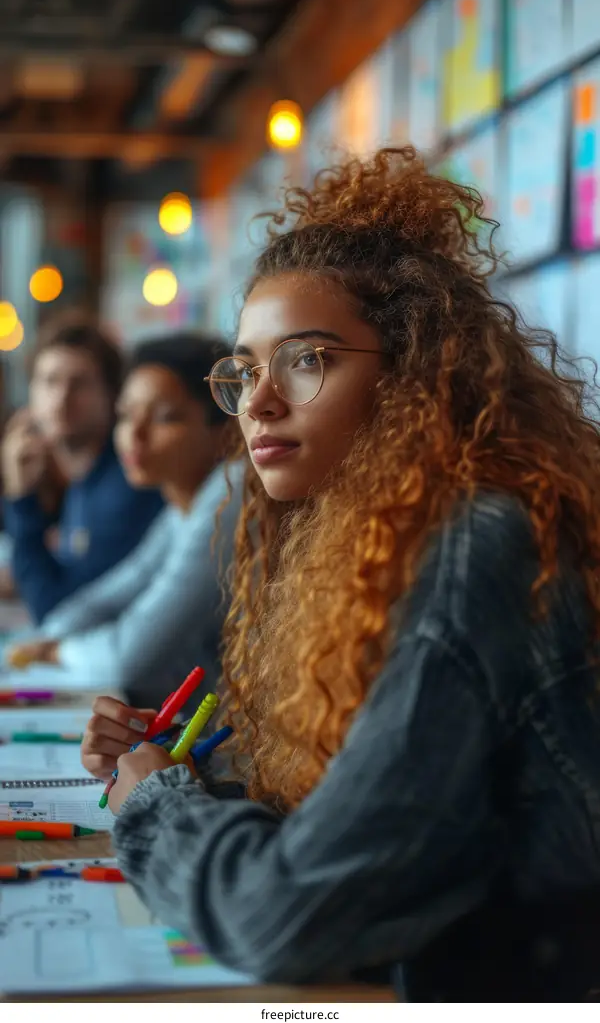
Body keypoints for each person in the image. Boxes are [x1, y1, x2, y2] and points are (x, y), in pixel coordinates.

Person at [81, 149, 600, 1001]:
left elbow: (279, 917)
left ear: (412, 377)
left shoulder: (480, 544)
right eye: (245, 370)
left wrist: (159, 802)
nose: (259, 401)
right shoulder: (353, 530)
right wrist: (191, 767)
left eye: (307, 358)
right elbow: (369, 797)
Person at [7, 333, 242, 712]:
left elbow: (128, 657)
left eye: (165, 417)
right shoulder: (182, 507)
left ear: (226, 429)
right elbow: (110, 592)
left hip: (236, 741)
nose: (135, 435)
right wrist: (49, 637)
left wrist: (55, 651)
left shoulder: (228, 495)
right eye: (127, 415)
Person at [2, 313, 163, 623]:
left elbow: (55, 612)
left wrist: (21, 498)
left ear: (112, 395)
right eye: (49, 381)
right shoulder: (85, 476)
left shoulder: (126, 485)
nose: (61, 398)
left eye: (79, 384)